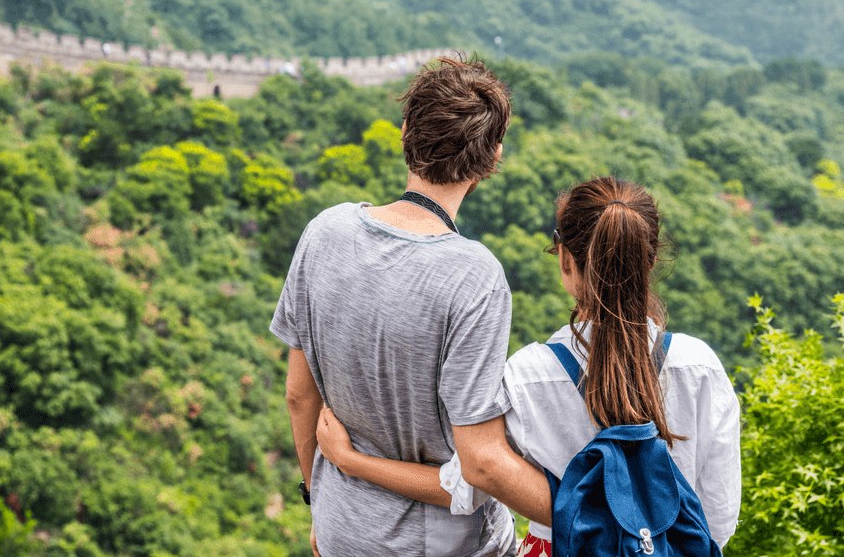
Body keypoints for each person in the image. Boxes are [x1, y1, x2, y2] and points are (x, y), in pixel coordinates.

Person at [315, 177, 741, 555]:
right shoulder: (699, 367)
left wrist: (350, 461)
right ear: (649, 263)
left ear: (564, 261)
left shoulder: (531, 377)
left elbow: (464, 484)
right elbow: (717, 522)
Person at [270, 57, 549, 557]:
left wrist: (320, 499)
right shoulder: (474, 277)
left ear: (405, 133)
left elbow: (298, 396)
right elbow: (479, 468)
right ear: (491, 160)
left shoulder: (324, 233)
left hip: (339, 531)